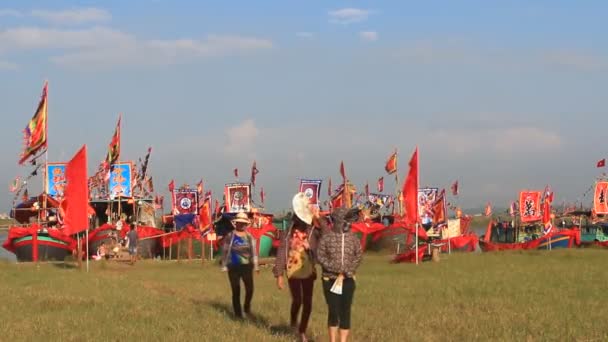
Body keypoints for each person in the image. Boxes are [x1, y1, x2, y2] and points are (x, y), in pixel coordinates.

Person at [273, 193, 330, 342]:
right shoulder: (288, 231)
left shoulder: (313, 230)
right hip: (293, 270)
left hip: (308, 270)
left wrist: (318, 218)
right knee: (297, 299)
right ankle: (293, 320)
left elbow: (327, 236)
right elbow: (281, 251)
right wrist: (279, 274)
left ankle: (302, 331)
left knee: (308, 302)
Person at [316, 207, 363, 342]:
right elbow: (320, 256)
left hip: (348, 280)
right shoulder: (327, 238)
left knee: (345, 311)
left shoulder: (352, 238)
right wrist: (335, 269)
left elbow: (358, 255)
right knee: (334, 310)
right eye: (344, 219)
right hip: (330, 280)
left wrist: (347, 271)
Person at [221, 212, 259, 319]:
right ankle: (238, 314)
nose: (241, 225)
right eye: (239, 223)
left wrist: (256, 266)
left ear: (246, 224)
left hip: (247, 266)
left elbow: (254, 251)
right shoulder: (230, 236)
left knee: (250, 289)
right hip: (233, 266)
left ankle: (247, 308)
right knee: (236, 290)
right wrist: (224, 265)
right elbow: (225, 251)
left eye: (243, 223)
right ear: (235, 223)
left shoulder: (249, 237)